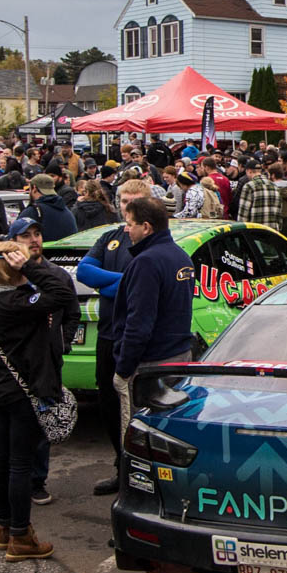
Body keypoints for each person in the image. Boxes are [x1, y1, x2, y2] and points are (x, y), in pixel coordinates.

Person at [0, 240, 73, 561]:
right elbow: (62, 294)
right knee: (20, 463)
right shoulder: (15, 301)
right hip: (24, 390)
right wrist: (30, 268)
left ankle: (5, 528)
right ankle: (21, 535)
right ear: (11, 267)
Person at [74, 180, 149, 495]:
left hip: (138, 338)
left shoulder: (152, 242)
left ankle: (140, 473)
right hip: (107, 335)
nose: (127, 206)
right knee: (108, 404)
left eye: (134, 201)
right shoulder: (110, 238)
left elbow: (146, 284)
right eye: (123, 200)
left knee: (139, 408)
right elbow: (84, 272)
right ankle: (122, 467)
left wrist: (109, 284)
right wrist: (126, 281)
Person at [113, 197, 197, 457]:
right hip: (178, 358)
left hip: (150, 366)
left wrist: (123, 369)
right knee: (170, 437)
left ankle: (134, 479)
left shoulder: (146, 262)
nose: (126, 229)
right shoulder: (180, 256)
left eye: (130, 224)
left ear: (146, 227)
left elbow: (139, 324)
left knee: (139, 438)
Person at [20, 174, 77, 242]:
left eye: (29, 189)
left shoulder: (32, 211)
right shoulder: (66, 210)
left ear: (34, 188)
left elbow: (14, 237)